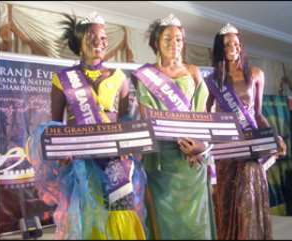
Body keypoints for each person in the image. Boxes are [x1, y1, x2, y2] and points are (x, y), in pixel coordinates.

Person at [26, 12, 146, 239]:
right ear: (79, 41)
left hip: (115, 162)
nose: (99, 42)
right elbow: (55, 125)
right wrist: (61, 151)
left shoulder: (119, 78)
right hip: (80, 163)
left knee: (121, 211)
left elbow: (123, 122)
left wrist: (128, 146)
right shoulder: (62, 79)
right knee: (86, 216)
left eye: (103, 38)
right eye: (91, 36)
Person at [132, 14, 217, 240]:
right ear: (157, 43)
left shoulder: (193, 71)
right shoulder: (145, 75)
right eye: (168, 39)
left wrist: (199, 146)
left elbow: (203, 116)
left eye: (178, 39)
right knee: (165, 221)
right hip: (162, 160)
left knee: (196, 223)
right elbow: (147, 118)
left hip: (192, 159)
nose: (174, 44)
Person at [206, 23, 287, 240]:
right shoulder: (214, 80)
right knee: (228, 202)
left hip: (252, 147)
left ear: (240, 46)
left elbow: (258, 115)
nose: (233, 47)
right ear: (220, 49)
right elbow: (208, 116)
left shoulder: (256, 74)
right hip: (228, 150)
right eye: (227, 44)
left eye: (236, 43)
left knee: (247, 201)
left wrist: (274, 136)